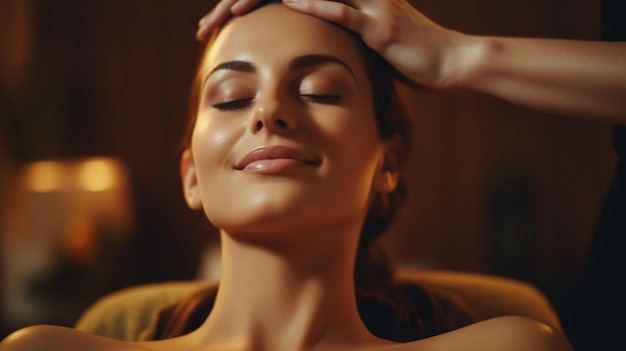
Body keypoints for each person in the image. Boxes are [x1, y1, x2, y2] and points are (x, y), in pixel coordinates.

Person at [0, 1, 581, 350]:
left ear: (390, 161)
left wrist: (460, 56)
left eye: (319, 90)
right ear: (191, 177)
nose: (268, 112)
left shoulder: (512, 344)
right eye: (230, 97)